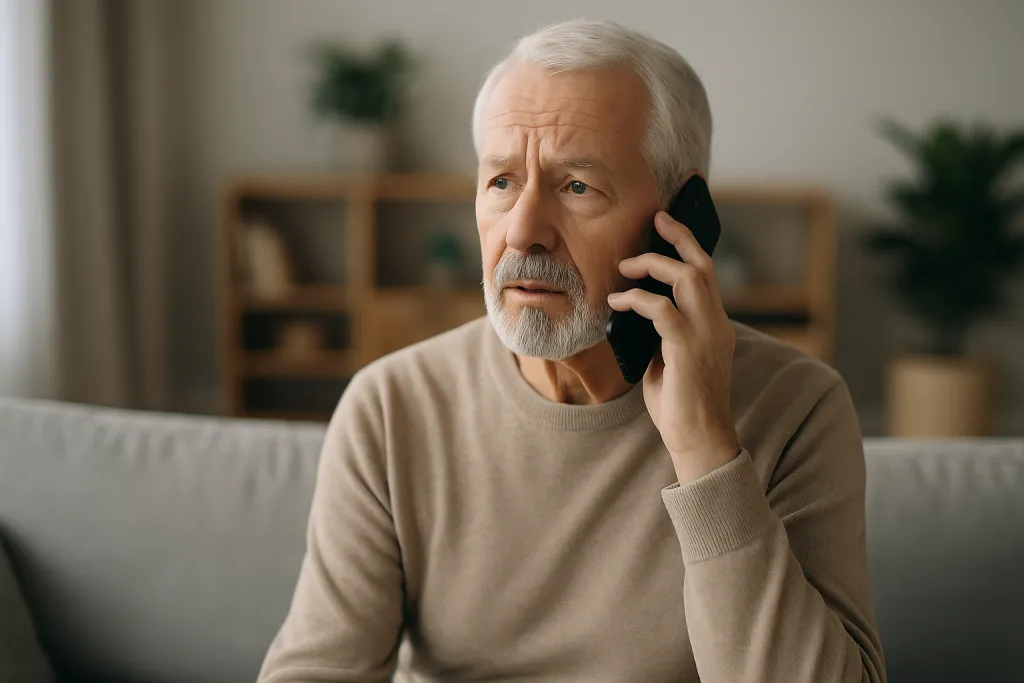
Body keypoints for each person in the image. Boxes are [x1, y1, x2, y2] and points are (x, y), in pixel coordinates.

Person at [258, 19, 886, 683]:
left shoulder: (800, 409)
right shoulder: (390, 407)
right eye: (501, 181)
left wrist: (706, 448)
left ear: (680, 215)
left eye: (576, 186)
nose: (523, 231)